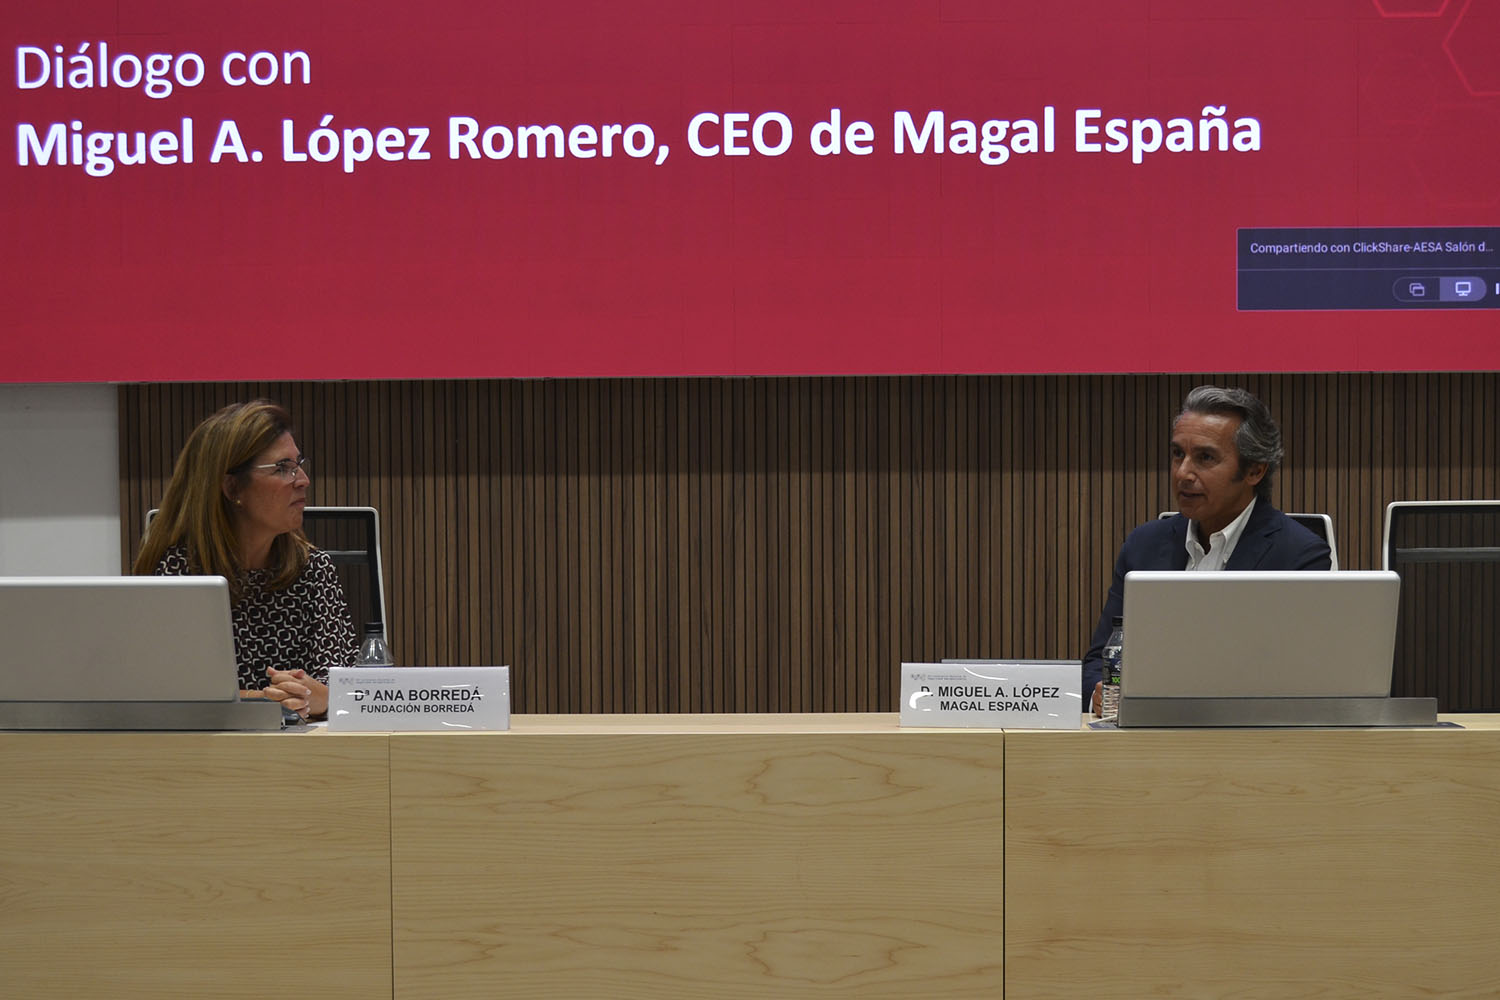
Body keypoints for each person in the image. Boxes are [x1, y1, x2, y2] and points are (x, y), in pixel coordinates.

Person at [1082, 385, 1332, 712]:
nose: (1183, 473)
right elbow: (1096, 662)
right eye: (1177, 454)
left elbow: (1303, 682)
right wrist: (1098, 694)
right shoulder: (1144, 546)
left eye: (1205, 458)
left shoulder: (1298, 555)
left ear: (1255, 470)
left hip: (1245, 745)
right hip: (1145, 741)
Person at [133, 399, 357, 720]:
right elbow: (163, 690)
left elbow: (347, 684)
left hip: (302, 755)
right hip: (206, 755)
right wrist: (268, 700)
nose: (303, 479)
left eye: (298, 463)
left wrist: (320, 697)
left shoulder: (313, 569)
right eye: (283, 468)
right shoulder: (178, 574)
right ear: (232, 486)